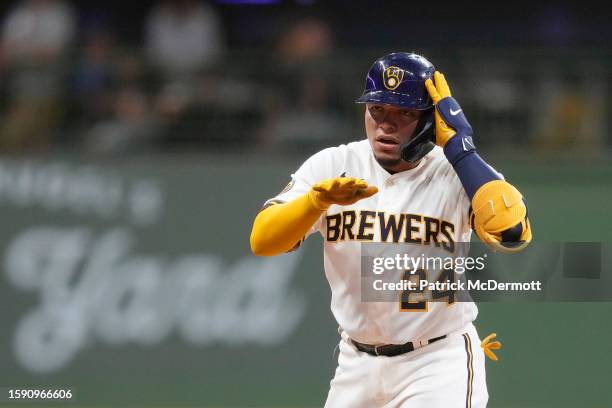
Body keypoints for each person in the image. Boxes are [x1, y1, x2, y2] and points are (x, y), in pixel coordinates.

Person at [250, 52, 531, 407]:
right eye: (377, 110)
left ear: (430, 120)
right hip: (356, 363)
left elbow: (512, 232)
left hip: (436, 361)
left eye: (405, 113)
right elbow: (262, 241)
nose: (386, 124)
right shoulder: (334, 164)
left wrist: (461, 148)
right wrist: (313, 204)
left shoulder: (453, 172)